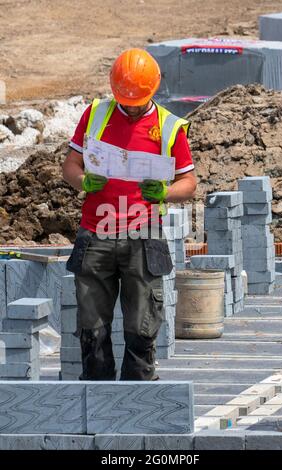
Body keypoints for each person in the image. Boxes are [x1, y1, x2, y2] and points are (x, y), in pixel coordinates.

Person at [63, 48, 196, 381]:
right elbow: (70, 166)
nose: (132, 107)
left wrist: (164, 192)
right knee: (92, 327)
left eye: (138, 102)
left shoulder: (168, 127)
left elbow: (189, 182)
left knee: (142, 325)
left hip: (143, 234)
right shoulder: (95, 115)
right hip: (96, 233)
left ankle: (137, 400)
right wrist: (83, 181)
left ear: (152, 91)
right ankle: (95, 399)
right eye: (126, 100)